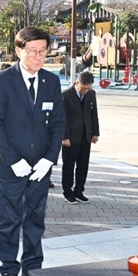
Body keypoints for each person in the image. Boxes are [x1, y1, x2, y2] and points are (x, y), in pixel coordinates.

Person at [0, 27, 65, 276]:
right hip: (11, 165)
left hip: (40, 166)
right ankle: (9, 268)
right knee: (9, 219)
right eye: (32, 51)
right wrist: (13, 160)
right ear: (19, 51)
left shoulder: (51, 82)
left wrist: (49, 159)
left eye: (43, 51)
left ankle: (32, 267)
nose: (38, 56)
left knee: (35, 218)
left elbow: (58, 124)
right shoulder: (2, 81)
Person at [61, 71, 99, 204]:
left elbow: (94, 113)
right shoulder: (65, 95)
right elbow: (62, 119)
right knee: (69, 166)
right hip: (70, 137)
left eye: (89, 88)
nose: (86, 91)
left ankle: (79, 190)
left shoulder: (91, 94)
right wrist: (64, 137)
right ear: (77, 83)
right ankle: (68, 192)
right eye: (84, 88)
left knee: (83, 165)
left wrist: (95, 132)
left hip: (86, 135)